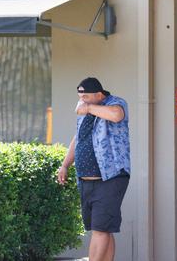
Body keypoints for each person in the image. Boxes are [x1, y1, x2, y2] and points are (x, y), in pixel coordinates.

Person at [57, 77, 130, 261]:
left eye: (87, 97)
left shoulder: (115, 103)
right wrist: (65, 165)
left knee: (100, 230)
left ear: (99, 94)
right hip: (86, 179)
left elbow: (116, 115)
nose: (83, 101)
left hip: (110, 177)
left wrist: (88, 108)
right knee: (103, 229)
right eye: (81, 97)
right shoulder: (86, 109)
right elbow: (79, 138)